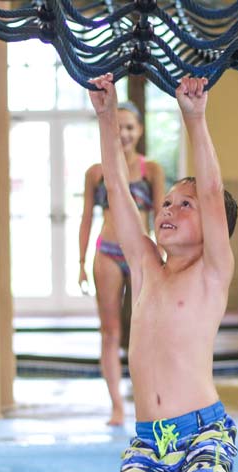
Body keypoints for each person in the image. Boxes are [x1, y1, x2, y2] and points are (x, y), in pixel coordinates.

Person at [88, 73, 238, 472]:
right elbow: (117, 191)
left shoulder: (212, 273)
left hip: (201, 430)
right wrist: (105, 115)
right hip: (150, 437)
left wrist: (195, 117)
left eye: (183, 206)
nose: (169, 209)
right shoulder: (145, 268)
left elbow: (211, 191)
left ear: (211, 228)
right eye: (166, 203)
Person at [79, 101, 165, 426]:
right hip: (108, 253)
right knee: (110, 332)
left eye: (130, 127)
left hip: (141, 253)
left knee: (146, 331)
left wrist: (167, 258)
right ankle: (116, 405)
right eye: (119, 126)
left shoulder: (151, 170)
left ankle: (148, 401)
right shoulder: (96, 173)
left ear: (140, 130)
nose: (125, 133)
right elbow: (86, 218)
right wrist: (81, 261)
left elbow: (162, 216)